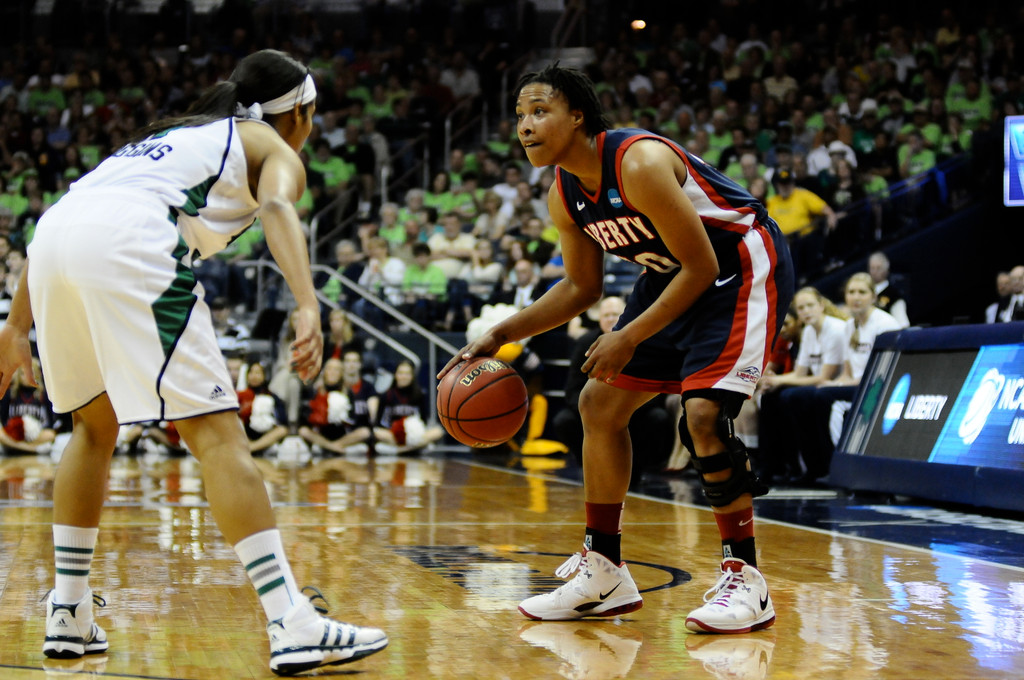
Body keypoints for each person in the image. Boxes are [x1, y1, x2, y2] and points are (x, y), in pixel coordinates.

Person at [0, 49, 387, 674]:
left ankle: (68, 611)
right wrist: (310, 305)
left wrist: (16, 325)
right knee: (218, 436)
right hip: (130, 242)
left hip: (52, 243)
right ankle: (292, 621)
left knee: (91, 430)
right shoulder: (271, 144)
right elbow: (281, 209)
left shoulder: (168, 137)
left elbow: (67, 215)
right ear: (302, 112)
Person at [439, 64, 793, 634]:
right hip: (670, 275)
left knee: (702, 416)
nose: (524, 127)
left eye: (538, 112)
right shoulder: (563, 192)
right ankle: (604, 569)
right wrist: (502, 332)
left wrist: (627, 336)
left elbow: (703, 265)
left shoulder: (638, 163)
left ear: (577, 116)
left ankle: (747, 580)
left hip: (738, 268)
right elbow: (582, 287)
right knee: (599, 406)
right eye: (519, 117)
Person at [550, 295, 675, 475]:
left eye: (615, 314)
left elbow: (656, 389)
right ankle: (588, 465)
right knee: (564, 420)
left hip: (633, 409)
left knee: (658, 418)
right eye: (606, 315)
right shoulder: (585, 343)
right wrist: (593, 408)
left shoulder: (642, 340)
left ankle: (637, 468)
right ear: (599, 319)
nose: (610, 319)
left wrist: (621, 409)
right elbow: (572, 388)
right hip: (595, 408)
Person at [373, 359, 444, 455]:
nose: (404, 377)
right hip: (392, 435)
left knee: (438, 431)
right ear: (395, 375)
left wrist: (412, 430)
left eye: (407, 373)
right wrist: (396, 430)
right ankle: (413, 449)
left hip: (413, 437)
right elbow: (380, 424)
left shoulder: (419, 395)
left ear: (412, 376)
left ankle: (399, 450)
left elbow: (423, 421)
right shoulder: (387, 395)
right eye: (401, 373)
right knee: (377, 433)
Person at [867, 251, 910, 328]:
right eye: (872, 268)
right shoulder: (864, 291)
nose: (874, 272)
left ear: (886, 270)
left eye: (878, 268)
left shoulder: (894, 295)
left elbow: (903, 324)